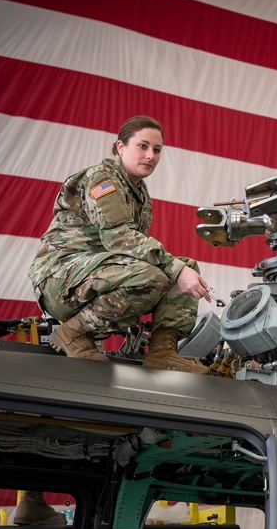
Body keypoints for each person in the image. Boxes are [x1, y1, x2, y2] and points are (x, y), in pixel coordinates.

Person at [28, 115, 211, 374]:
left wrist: (180, 269)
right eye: (143, 146)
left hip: (93, 275)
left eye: (157, 150)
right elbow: (120, 238)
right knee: (159, 275)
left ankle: (162, 353)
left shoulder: (138, 190)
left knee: (184, 266)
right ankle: (74, 334)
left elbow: (134, 251)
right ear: (120, 147)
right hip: (60, 278)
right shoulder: (103, 180)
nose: (151, 155)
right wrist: (177, 270)